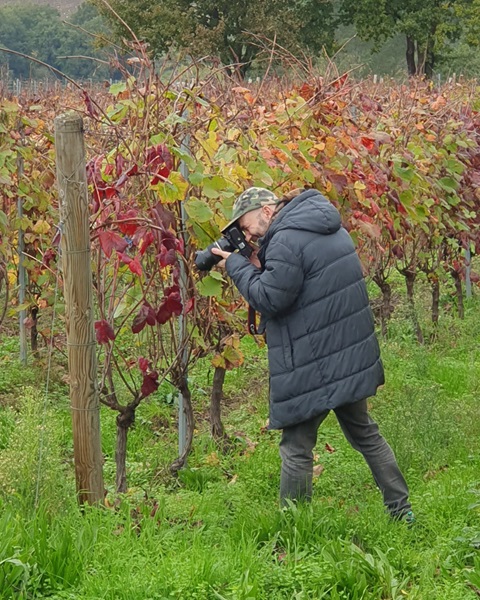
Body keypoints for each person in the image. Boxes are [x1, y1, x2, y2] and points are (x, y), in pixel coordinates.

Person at [211, 186, 414, 522]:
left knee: (296, 446)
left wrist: (237, 266)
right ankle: (401, 510)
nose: (248, 235)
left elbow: (270, 299)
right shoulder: (322, 225)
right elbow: (303, 284)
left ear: (266, 211)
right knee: (364, 432)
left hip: (314, 358)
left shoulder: (287, 240)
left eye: (247, 227)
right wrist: (261, 262)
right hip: (345, 352)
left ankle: (295, 528)